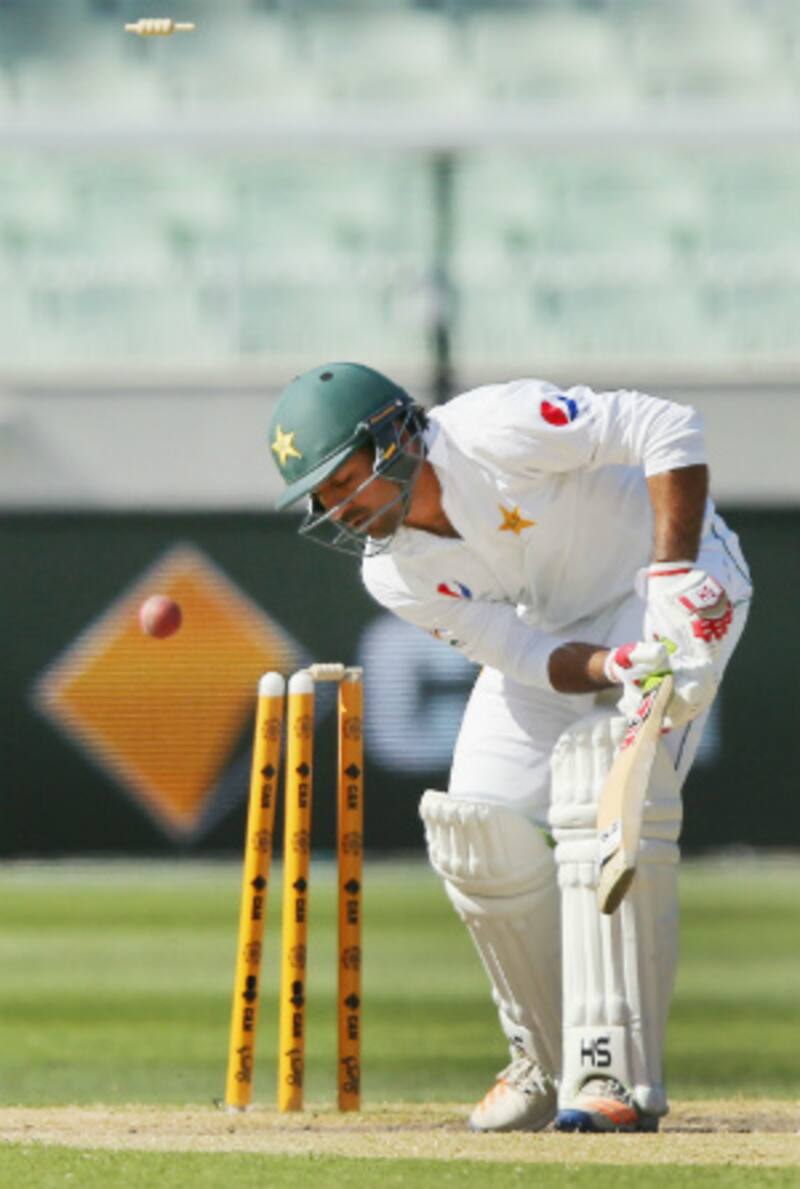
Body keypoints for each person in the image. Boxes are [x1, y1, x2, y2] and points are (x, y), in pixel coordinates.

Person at [267, 362, 752, 1133]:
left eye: (344, 480)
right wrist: (610, 665)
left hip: (673, 589)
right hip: (566, 629)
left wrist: (672, 577)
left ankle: (613, 1074)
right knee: (473, 830)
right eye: (322, 498)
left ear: (394, 438)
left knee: (605, 795)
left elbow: (668, 426)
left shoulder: (495, 426)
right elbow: (519, 651)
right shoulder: (392, 574)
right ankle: (544, 1056)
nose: (338, 508)